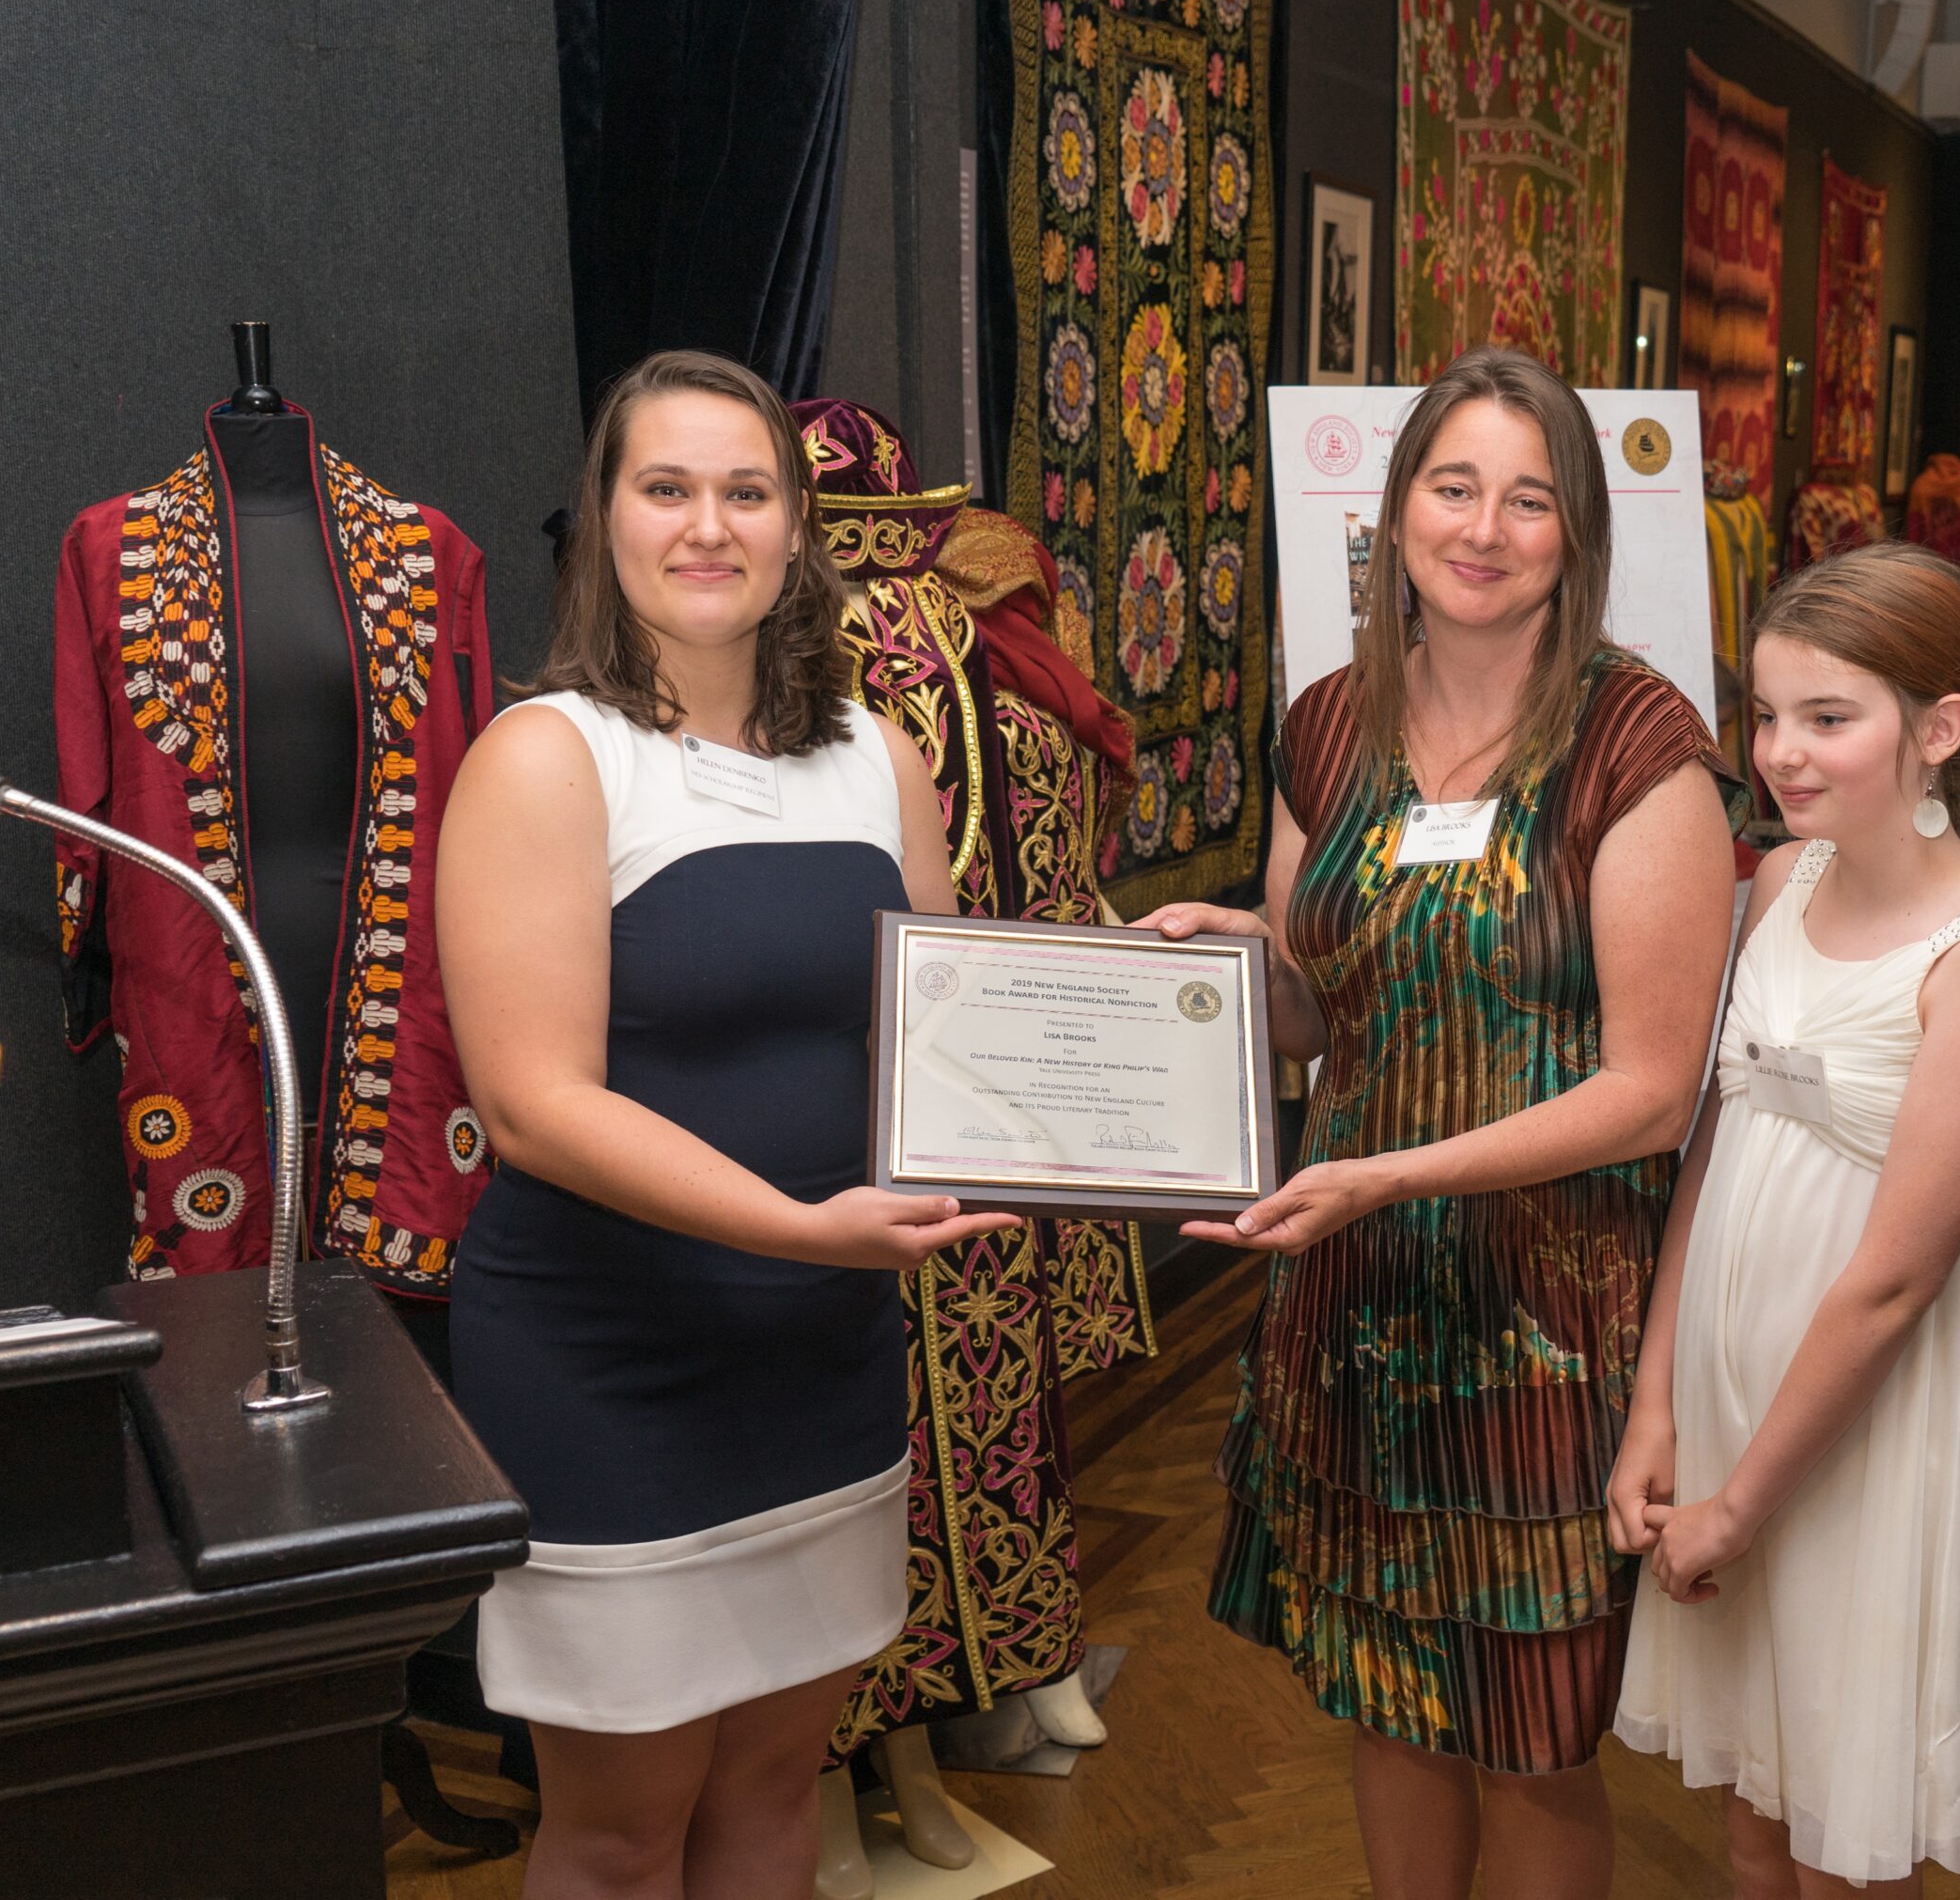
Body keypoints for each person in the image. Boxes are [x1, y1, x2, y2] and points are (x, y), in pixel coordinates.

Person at [1143, 344, 1744, 1900]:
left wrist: (1388, 1174)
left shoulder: (1639, 748)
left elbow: (1651, 1091)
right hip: (1355, 1304)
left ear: (1578, 533)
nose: (1484, 529)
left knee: (1532, 1744)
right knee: (1388, 1702)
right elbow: (1319, 1007)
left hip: (1543, 1319)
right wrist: (1231, 963)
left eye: (1528, 500)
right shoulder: (1328, 727)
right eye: (1454, 486)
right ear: (1397, 507)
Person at [434, 349, 1016, 1900]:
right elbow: (534, 1107)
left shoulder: (877, 757)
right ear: (605, 518)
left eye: (747, 491)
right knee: (620, 1835)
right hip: (612, 1366)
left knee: (771, 1793)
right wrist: (804, 1231)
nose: (709, 526)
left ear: (796, 528)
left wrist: (1149, 1005)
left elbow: (947, 1039)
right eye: (667, 489)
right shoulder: (548, 757)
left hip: (822, 1361)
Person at [1610, 542, 1960, 1894]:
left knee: (1843, 1835)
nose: (1780, 755)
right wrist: (1657, 1405)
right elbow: (1713, 1150)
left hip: (1865, 1429)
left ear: (1939, 728)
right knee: (1754, 1806)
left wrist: (1742, 1508)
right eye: (1766, 715)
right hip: (1727, 1398)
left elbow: (1893, 1284)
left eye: (1827, 718)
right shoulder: (1781, 884)